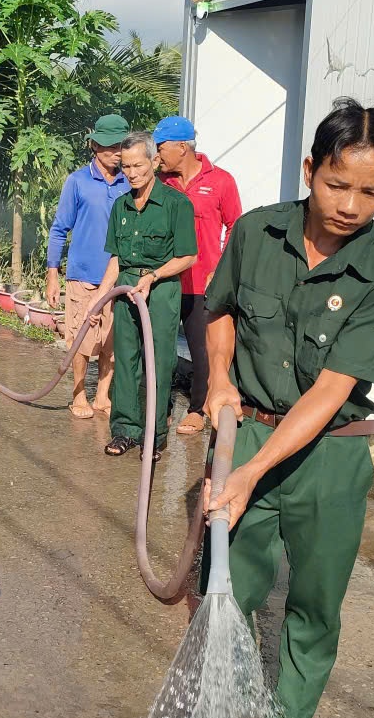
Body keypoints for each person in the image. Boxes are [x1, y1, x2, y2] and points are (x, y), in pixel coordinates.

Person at [201, 98, 374, 718]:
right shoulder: (258, 231)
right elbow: (222, 309)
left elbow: (331, 391)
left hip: (330, 451)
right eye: (337, 184)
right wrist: (220, 379)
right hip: (251, 428)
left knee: (316, 602)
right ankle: (222, 712)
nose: (351, 205)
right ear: (310, 170)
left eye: (371, 191)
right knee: (229, 585)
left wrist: (250, 474)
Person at [90, 131, 197, 461]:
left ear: (154, 162)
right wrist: (102, 298)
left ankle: (154, 435)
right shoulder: (121, 205)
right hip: (126, 290)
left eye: (138, 165)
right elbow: (116, 259)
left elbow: (187, 257)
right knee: (126, 360)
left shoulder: (176, 204)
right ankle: (124, 430)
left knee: (159, 363)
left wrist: (153, 276)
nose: (131, 173)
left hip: (160, 292)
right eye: (125, 167)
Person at [153, 115, 243, 436]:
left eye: (161, 147)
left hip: (202, 282)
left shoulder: (221, 181)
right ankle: (160, 409)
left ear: (182, 147)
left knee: (200, 349)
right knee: (161, 346)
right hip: (166, 281)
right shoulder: (160, 182)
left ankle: (196, 410)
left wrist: (220, 269)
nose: (157, 154)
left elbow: (235, 225)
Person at [46, 114, 131, 419]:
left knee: (111, 341)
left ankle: (103, 395)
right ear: (94, 145)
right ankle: (78, 394)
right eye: (109, 146)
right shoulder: (78, 181)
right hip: (83, 275)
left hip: (118, 277)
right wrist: (52, 274)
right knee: (80, 339)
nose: (116, 152)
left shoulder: (128, 182)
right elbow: (59, 229)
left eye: (121, 145)